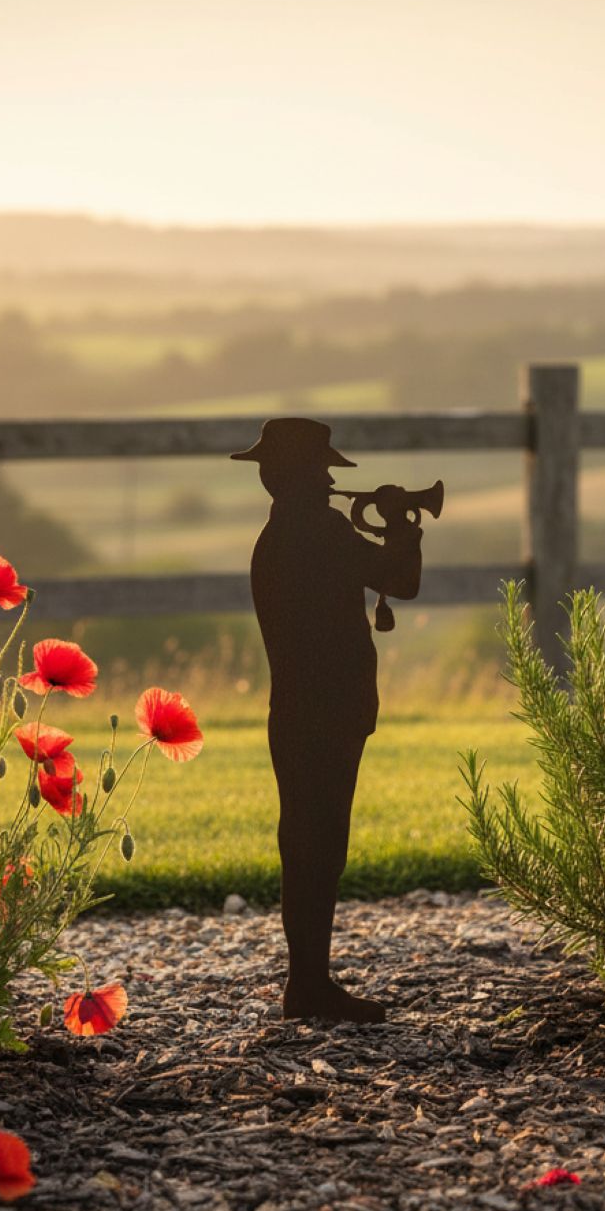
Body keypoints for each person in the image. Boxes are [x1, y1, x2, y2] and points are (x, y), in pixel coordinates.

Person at [232, 418, 422, 1022]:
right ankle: (309, 986)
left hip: (295, 708)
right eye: (321, 471)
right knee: (320, 844)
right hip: (329, 708)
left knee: (305, 842)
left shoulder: (279, 535)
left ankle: (308, 982)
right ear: (306, 475)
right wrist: (400, 523)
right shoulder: (321, 532)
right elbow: (401, 581)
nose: (329, 481)